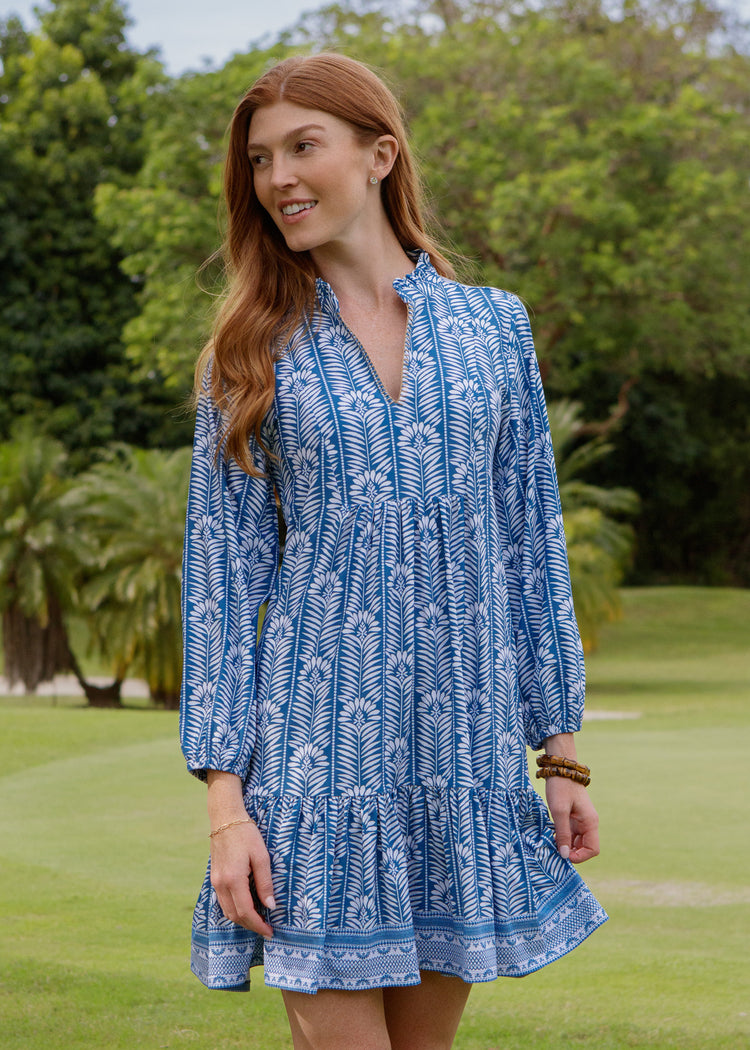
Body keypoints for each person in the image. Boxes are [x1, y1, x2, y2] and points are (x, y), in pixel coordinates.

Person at [179, 52, 606, 1050]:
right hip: (314, 777)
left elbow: (530, 548)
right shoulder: (248, 351)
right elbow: (218, 584)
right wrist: (225, 809)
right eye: (259, 159)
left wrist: (564, 756)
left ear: (379, 154)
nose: (277, 176)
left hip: (464, 767)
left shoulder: (496, 328)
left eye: (302, 146)